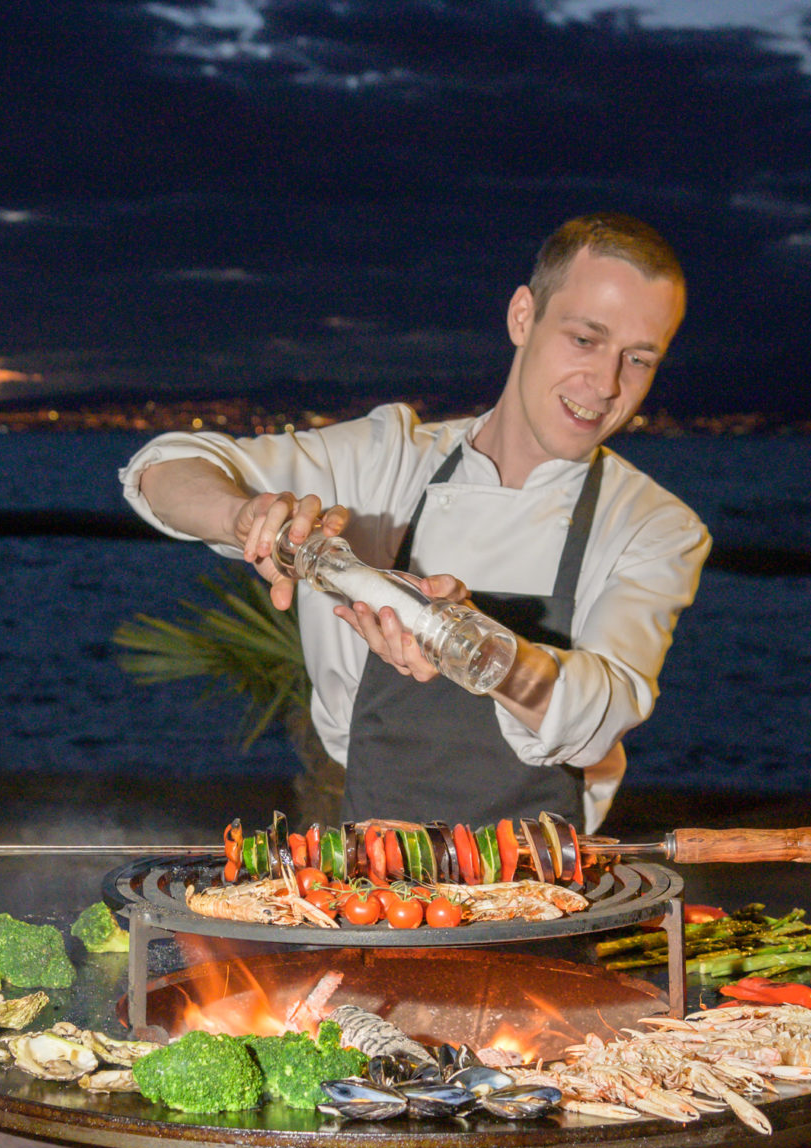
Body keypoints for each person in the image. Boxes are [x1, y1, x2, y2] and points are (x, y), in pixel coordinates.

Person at [120, 213, 709, 832]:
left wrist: (468, 645)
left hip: (539, 879)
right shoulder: (386, 458)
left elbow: (605, 710)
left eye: (638, 359)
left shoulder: (656, 525)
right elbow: (161, 470)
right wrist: (245, 517)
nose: (606, 383)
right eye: (585, 340)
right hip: (364, 858)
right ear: (522, 317)